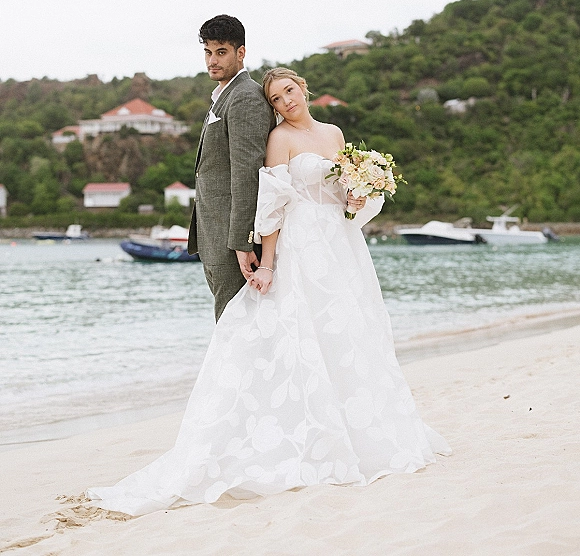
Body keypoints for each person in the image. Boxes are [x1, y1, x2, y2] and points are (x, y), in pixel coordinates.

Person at [87, 68, 450, 516]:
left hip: (340, 245)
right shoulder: (279, 139)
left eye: (289, 92)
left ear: (304, 89)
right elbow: (273, 203)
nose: (285, 102)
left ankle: (358, 431)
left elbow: (343, 194)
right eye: (276, 99)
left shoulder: (335, 132)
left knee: (348, 333)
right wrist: (268, 262)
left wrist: (358, 198)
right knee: (295, 332)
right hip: (301, 243)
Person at [187, 15, 275, 321]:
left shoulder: (245, 97)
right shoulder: (223, 95)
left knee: (236, 328)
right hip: (215, 237)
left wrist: (243, 243)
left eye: (221, 52)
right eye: (208, 52)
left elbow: (247, 174)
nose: (212, 60)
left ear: (241, 52)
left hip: (232, 245)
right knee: (234, 328)